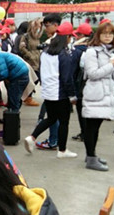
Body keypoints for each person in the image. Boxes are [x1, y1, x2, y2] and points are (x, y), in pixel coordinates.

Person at [24, 21, 77, 158]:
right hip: (60, 93)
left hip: (47, 91)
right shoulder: (64, 54)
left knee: (51, 118)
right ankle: (62, 150)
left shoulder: (46, 52)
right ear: (68, 37)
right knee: (63, 122)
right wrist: (72, 95)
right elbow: (67, 78)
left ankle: (32, 137)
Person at [81, 21, 114, 171]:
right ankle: (91, 158)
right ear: (98, 35)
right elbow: (92, 74)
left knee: (96, 127)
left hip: (107, 94)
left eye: (110, 33)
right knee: (91, 127)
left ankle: (91, 155)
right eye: (104, 33)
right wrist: (111, 65)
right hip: (96, 94)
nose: (107, 36)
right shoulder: (92, 52)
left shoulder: (112, 52)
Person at [34, 14, 62, 150]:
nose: (45, 29)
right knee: (54, 116)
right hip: (53, 85)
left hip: (55, 85)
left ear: (56, 25)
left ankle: (53, 140)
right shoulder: (53, 41)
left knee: (52, 116)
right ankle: (54, 140)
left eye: (47, 25)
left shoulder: (57, 43)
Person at [0, 46, 29, 112]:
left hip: (18, 76)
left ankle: (13, 115)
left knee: (14, 98)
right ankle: (11, 114)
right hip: (19, 74)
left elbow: (3, 74)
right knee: (14, 97)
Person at [70, 22, 93, 142]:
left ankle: (85, 133)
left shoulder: (77, 49)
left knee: (81, 110)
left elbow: (73, 71)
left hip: (80, 85)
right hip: (91, 84)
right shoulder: (93, 47)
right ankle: (88, 132)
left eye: (78, 34)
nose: (76, 37)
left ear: (82, 35)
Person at [17, 18, 43, 107]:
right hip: (30, 61)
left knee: (36, 78)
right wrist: (30, 56)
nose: (39, 27)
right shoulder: (26, 36)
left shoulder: (37, 37)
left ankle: (27, 95)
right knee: (32, 78)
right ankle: (27, 97)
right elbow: (22, 48)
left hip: (37, 61)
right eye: (38, 25)